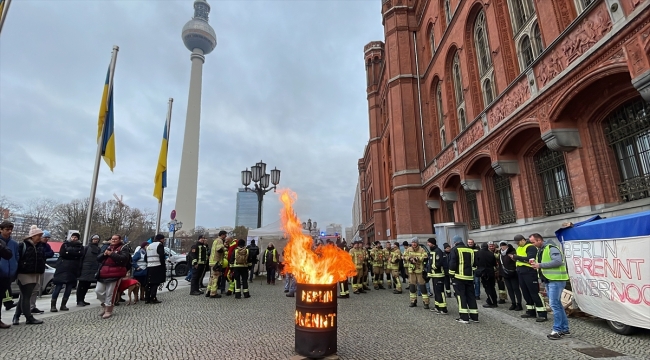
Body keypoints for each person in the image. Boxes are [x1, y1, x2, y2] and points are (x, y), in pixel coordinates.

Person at [530, 233, 570, 340]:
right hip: (549, 280)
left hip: (556, 280)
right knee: (557, 305)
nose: (532, 244)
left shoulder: (551, 248)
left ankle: (557, 330)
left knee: (554, 305)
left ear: (539, 240)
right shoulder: (541, 249)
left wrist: (540, 265)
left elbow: (557, 261)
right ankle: (565, 329)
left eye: (533, 242)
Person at [510, 234, 547, 322]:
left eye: (518, 242)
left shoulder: (530, 247)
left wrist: (516, 257)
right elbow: (520, 258)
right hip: (520, 271)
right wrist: (515, 259)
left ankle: (542, 314)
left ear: (523, 240)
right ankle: (531, 311)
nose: (517, 244)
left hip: (529, 272)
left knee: (534, 293)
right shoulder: (519, 248)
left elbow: (530, 259)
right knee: (525, 292)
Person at [14, 225, 46, 325]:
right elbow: (17, 258)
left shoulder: (40, 246)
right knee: (26, 296)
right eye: (38, 235)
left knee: (24, 296)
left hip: (35, 273)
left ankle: (16, 317)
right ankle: (29, 317)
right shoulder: (23, 245)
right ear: (32, 236)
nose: (40, 237)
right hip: (24, 274)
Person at [95, 234, 130, 319]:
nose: (113, 241)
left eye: (115, 239)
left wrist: (111, 254)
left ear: (119, 240)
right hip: (103, 272)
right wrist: (104, 254)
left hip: (115, 273)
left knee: (110, 292)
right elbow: (98, 258)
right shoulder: (107, 247)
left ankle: (108, 309)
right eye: (112, 239)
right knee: (98, 291)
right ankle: (104, 304)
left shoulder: (123, 248)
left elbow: (124, 259)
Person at [50, 232, 84, 312]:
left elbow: (80, 254)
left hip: (73, 269)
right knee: (58, 287)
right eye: (73, 237)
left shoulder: (80, 246)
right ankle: (53, 305)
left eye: (76, 237)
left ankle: (63, 305)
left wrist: (69, 253)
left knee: (69, 288)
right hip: (62, 268)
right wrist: (74, 254)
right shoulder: (65, 244)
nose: (74, 238)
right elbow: (63, 253)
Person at [449, 235, 478, 324]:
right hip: (469, 277)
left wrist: (451, 274)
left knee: (461, 296)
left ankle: (464, 317)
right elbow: (474, 264)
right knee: (471, 296)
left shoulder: (455, 249)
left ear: (455, 242)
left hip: (459, 277)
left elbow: (453, 263)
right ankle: (474, 317)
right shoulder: (470, 250)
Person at [0, 220, 18, 327]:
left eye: (11, 230)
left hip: (7, 275)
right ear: (1, 230)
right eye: (7, 229)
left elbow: (12, 256)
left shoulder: (13, 243)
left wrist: (14, 270)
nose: (9, 232)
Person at [403, 238, 429, 309]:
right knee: (412, 287)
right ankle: (413, 301)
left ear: (417, 243)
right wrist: (409, 259)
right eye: (412, 242)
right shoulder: (408, 249)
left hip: (419, 271)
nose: (414, 244)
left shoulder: (421, 249)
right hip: (411, 271)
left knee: (422, 286)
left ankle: (426, 302)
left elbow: (425, 256)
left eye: (415, 242)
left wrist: (417, 259)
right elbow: (404, 256)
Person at [499, 241, 522, 311]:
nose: (503, 246)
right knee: (509, 289)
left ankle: (519, 304)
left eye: (504, 245)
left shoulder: (512, 252)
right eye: (502, 245)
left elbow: (516, 261)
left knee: (516, 289)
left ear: (507, 245)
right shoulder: (500, 254)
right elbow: (500, 265)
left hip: (513, 273)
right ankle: (513, 303)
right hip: (505, 274)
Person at [426, 238, 447, 314]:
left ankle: (443, 308)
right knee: (436, 291)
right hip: (434, 275)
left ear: (432, 243)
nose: (428, 244)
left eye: (428, 243)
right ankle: (437, 307)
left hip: (439, 275)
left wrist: (432, 267)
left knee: (440, 291)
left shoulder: (438, 251)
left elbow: (439, 263)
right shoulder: (433, 251)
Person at [145, 234, 167, 304]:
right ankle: (153, 298)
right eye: (163, 239)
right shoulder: (159, 245)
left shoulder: (149, 245)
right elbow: (161, 256)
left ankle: (147, 298)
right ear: (161, 239)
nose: (164, 240)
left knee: (149, 283)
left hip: (149, 266)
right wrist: (163, 266)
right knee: (155, 283)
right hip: (157, 266)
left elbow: (146, 257)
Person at [476, 242, 498, 308]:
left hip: (484, 273)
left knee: (488, 288)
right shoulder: (491, 254)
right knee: (492, 287)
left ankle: (492, 302)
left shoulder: (478, 253)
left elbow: (476, 263)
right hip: (491, 272)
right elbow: (494, 263)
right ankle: (494, 300)